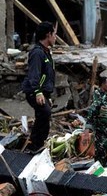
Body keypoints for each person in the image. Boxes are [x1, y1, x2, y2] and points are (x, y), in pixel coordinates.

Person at [22, 21, 57, 152]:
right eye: (54, 34)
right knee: (44, 113)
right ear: (48, 35)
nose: (55, 38)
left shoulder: (46, 52)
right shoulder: (37, 52)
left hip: (43, 92)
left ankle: (37, 144)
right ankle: (34, 144)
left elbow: (47, 76)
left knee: (44, 115)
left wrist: (47, 95)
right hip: (34, 91)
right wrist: (38, 91)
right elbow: (34, 74)